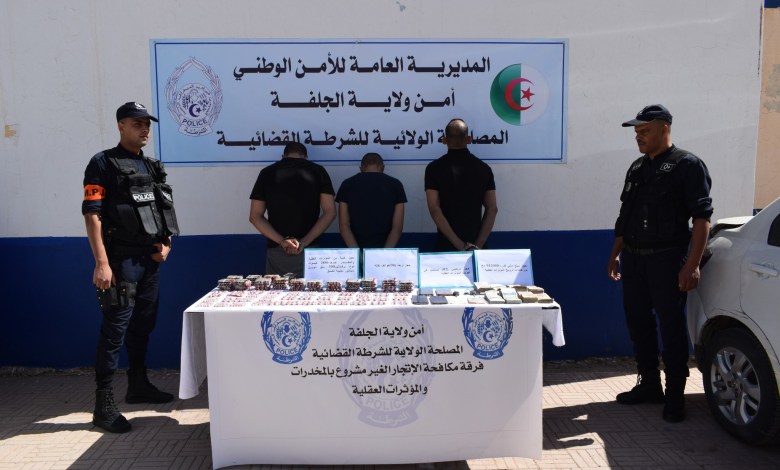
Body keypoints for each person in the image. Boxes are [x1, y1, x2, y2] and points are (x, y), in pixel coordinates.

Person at [607, 104, 713, 423]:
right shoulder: (637, 168)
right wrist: (615, 253)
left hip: (667, 260)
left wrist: (692, 265)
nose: (638, 137)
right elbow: (626, 217)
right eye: (636, 132)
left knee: (670, 327)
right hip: (634, 259)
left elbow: (702, 219)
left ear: (664, 128)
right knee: (638, 323)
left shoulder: (688, 165)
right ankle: (649, 384)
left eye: (645, 131)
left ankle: (675, 394)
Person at [82, 102, 180, 433]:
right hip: (120, 262)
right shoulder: (102, 163)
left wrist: (166, 245)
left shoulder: (151, 166)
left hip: (149, 261)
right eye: (137, 123)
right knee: (114, 331)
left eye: (147, 124)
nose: (144, 129)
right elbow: (92, 214)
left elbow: (163, 210)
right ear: (121, 126)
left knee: (143, 326)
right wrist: (101, 263)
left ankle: (138, 385)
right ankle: (103, 405)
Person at [249, 142, 336, 277]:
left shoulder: (266, 173)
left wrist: (282, 241)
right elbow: (330, 212)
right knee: (311, 290)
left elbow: (255, 216)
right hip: (309, 250)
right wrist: (304, 242)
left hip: (277, 250)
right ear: (305, 157)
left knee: (277, 290)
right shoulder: (318, 171)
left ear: (283, 156)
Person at [424, 118, 498, 252]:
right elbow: (492, 208)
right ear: (469, 139)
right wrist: (477, 246)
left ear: (444, 140)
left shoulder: (434, 169)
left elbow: (434, 209)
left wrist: (460, 245)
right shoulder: (484, 169)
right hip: (477, 248)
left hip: (446, 247)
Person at [336, 153, 407, 248]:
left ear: (361, 168)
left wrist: (358, 253)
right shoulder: (396, 185)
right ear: (383, 168)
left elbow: (344, 225)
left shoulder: (347, 184)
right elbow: (397, 228)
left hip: (355, 249)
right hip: (385, 249)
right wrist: (385, 253)